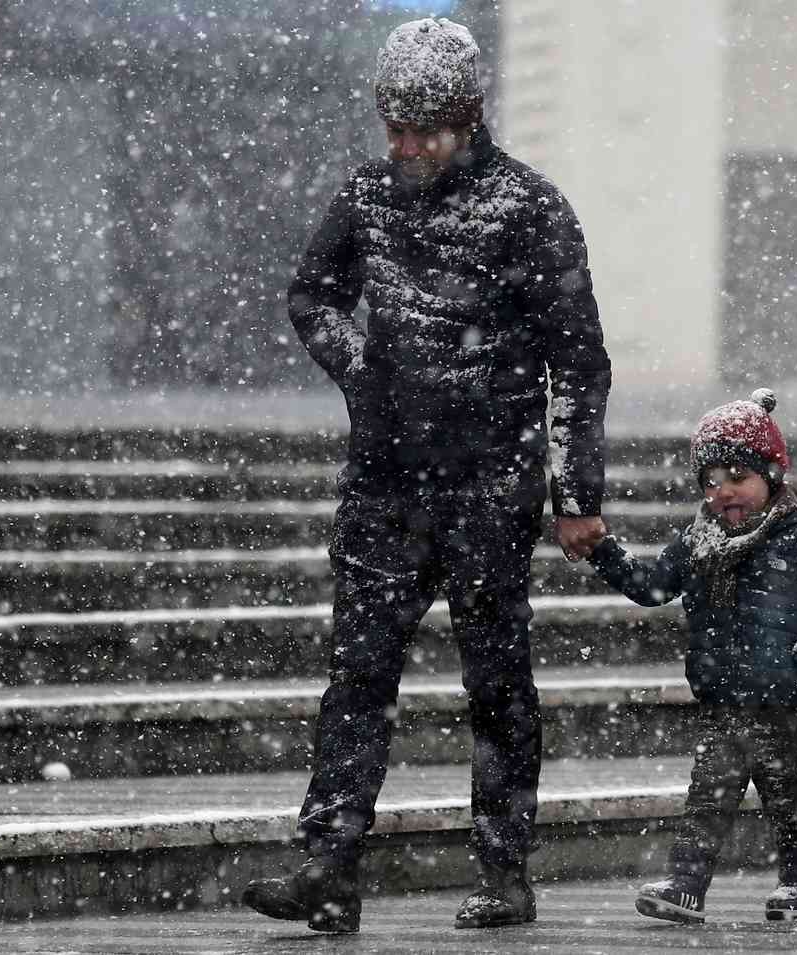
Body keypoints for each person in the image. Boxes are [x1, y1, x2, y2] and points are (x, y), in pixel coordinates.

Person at [239, 17, 610, 934]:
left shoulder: (529, 208)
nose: (404, 148)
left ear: (469, 116)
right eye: (393, 128)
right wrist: (363, 370)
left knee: (497, 682)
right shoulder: (367, 196)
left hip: (491, 487)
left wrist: (576, 498)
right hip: (385, 484)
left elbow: (580, 363)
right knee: (357, 677)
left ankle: (503, 869)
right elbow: (310, 295)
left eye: (423, 131)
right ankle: (327, 865)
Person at [585, 388, 797, 923]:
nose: (724, 492)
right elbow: (653, 587)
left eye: (738, 477)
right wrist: (603, 550)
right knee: (709, 795)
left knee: (786, 795)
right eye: (711, 482)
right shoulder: (700, 541)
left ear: (773, 476)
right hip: (725, 694)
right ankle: (687, 886)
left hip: (779, 699)